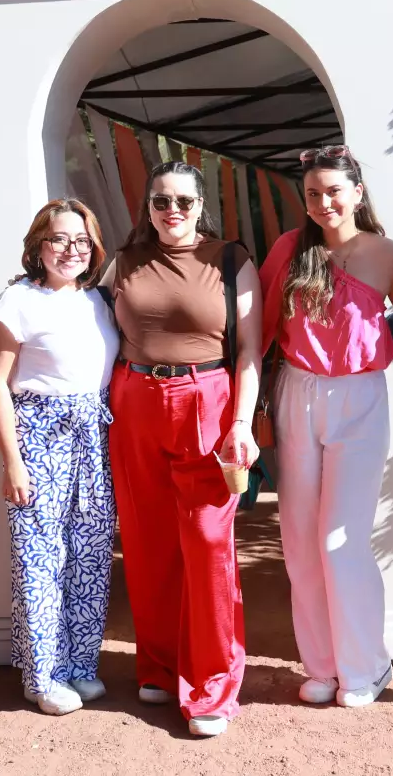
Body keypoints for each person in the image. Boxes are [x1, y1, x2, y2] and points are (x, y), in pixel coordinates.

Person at [257, 146, 393, 708]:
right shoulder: (291, 249)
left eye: (334, 190)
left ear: (358, 192)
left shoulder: (386, 255)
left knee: (342, 540)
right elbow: (257, 333)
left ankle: (366, 665)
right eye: (313, 193)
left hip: (359, 397)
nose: (324, 202)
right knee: (298, 539)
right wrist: (253, 409)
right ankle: (322, 666)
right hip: (294, 392)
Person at [102, 161, 262, 738]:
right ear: (147, 207)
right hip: (135, 397)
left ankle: (212, 684)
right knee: (147, 541)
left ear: (202, 207)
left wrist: (242, 422)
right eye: (161, 202)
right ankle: (160, 666)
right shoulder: (121, 262)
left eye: (184, 203)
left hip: (207, 400)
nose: (172, 212)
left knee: (207, 542)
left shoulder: (230, 260)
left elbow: (248, 351)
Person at [0, 199, 120, 716]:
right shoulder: (16, 300)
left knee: (88, 554)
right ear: (39, 245)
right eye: (59, 239)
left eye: (81, 241)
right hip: (39, 433)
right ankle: (42, 675)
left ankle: (78, 666)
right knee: (40, 557)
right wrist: (12, 462)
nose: (71, 249)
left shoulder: (96, 300)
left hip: (92, 436)